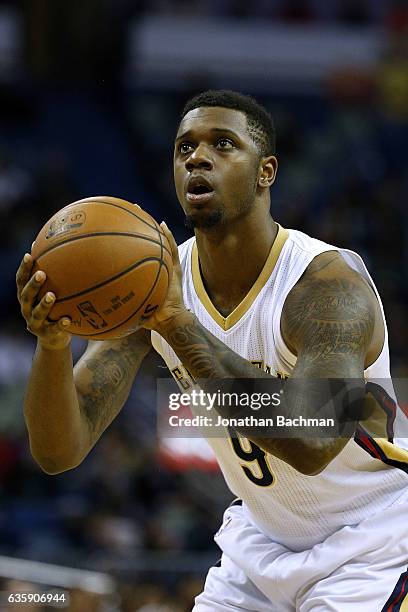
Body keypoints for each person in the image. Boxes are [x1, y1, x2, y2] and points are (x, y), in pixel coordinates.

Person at [17, 90, 408, 611]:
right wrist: (53, 345)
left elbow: (312, 444)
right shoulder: (153, 286)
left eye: (223, 144)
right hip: (260, 538)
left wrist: (178, 327)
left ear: (266, 171)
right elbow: (58, 451)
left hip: (372, 539)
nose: (197, 158)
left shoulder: (326, 286)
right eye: (184, 148)